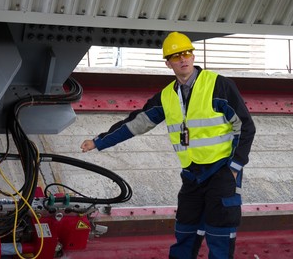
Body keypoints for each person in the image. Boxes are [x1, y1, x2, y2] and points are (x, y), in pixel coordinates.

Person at [80, 31, 256, 259]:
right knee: (185, 229)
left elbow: (245, 127)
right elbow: (136, 123)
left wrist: (235, 167)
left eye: (186, 53)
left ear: (193, 56)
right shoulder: (166, 97)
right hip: (192, 174)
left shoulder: (219, 86)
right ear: (168, 63)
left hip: (222, 171)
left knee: (220, 234)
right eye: (176, 56)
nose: (183, 59)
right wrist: (98, 141)